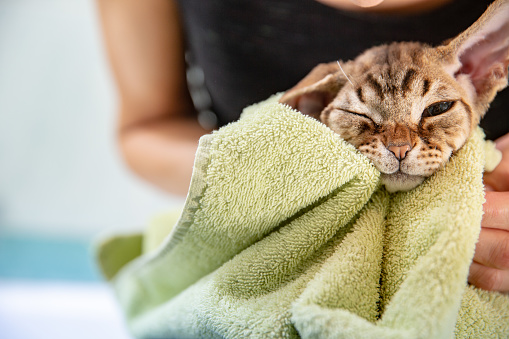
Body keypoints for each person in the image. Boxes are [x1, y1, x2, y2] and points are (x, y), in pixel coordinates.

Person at [96, 0, 509, 292]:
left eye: (434, 108)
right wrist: (269, 165)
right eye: (363, 117)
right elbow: (147, 127)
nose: (401, 146)